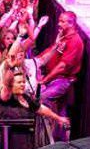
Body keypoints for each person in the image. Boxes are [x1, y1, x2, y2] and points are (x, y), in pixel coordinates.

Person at [34, 11, 83, 142]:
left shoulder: (75, 41)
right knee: (61, 111)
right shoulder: (62, 37)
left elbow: (62, 66)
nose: (58, 24)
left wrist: (45, 80)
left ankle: (46, 137)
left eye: (62, 21)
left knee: (42, 98)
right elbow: (48, 53)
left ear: (71, 24)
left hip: (62, 80)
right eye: (59, 21)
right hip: (54, 79)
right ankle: (59, 139)